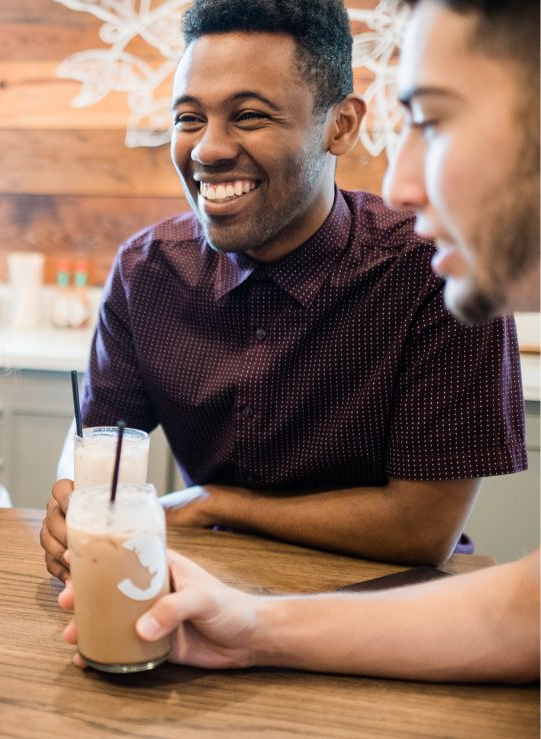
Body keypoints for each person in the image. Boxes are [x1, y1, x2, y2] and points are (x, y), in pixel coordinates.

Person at [60, 0, 540, 683]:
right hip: (219, 603)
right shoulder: (148, 268)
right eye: (187, 117)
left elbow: (434, 542)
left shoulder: (418, 269)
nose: (403, 182)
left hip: (402, 608)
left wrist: (219, 510)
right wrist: (248, 627)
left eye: (433, 121)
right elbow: (522, 615)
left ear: (340, 126)